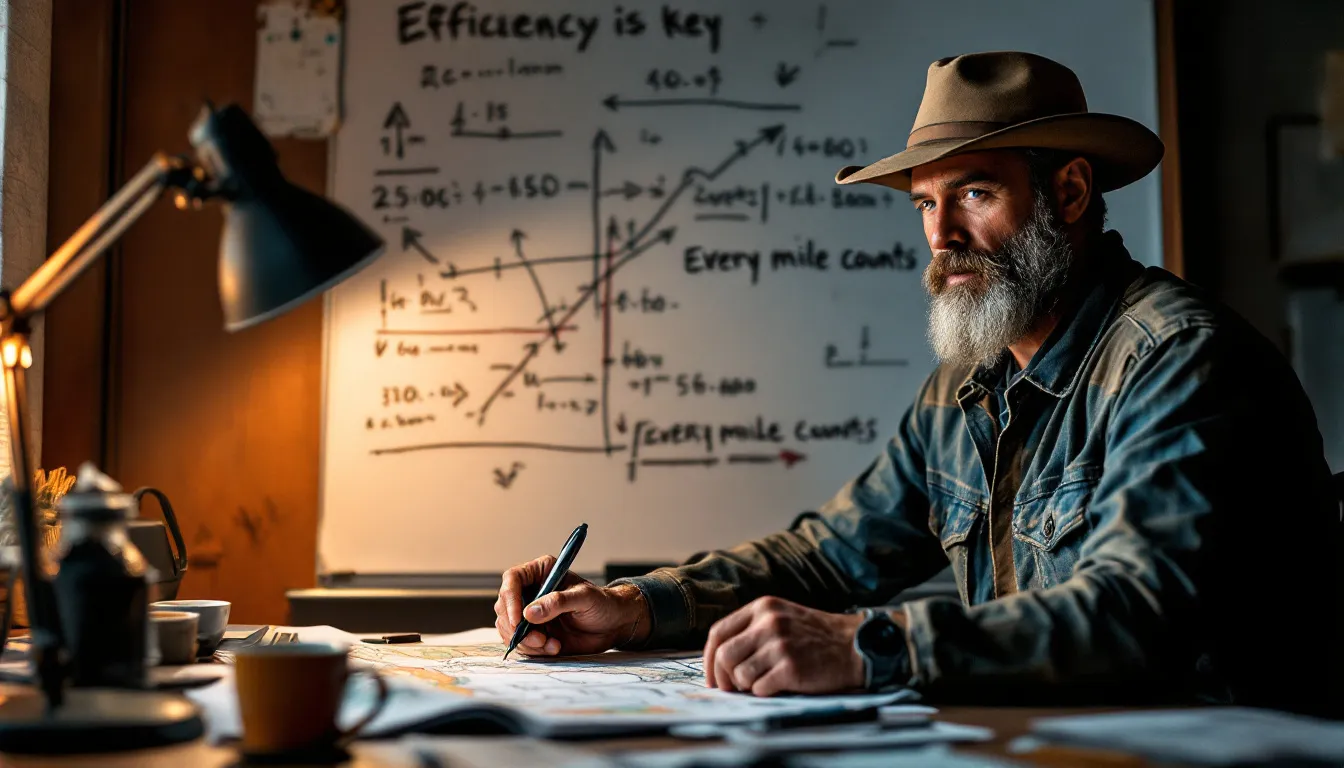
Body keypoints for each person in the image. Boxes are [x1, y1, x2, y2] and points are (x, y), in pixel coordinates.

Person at [494, 51, 1343, 715]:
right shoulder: (964, 386)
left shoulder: (1176, 359)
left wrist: (873, 646)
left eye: (973, 192)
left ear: (1072, 191)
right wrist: (633, 605)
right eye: (924, 205)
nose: (942, 235)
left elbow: (1133, 613)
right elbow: (831, 555)